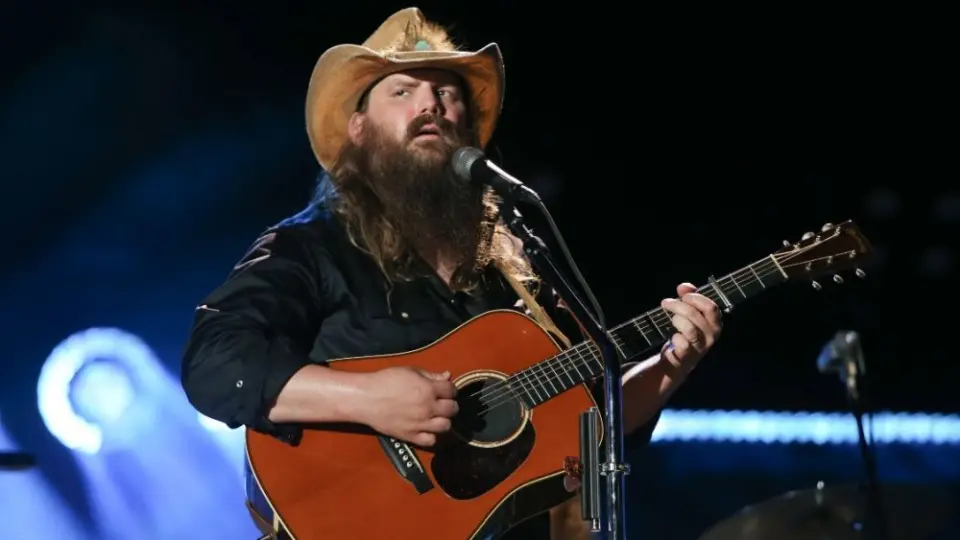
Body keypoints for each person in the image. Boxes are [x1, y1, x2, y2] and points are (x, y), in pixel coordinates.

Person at [180, 7, 723, 540]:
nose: (430, 105)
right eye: (402, 91)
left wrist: (671, 366)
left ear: (467, 127)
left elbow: (584, 426)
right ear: (359, 128)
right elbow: (215, 362)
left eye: (446, 92)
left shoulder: (514, 265)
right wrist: (367, 399)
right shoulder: (313, 244)